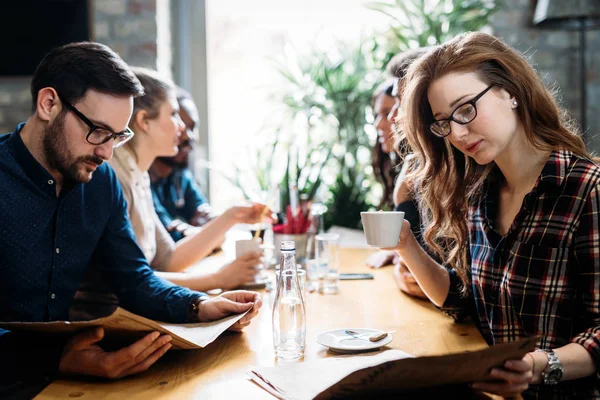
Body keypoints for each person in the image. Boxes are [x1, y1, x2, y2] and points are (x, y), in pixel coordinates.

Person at [0, 42, 261, 398]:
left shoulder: (100, 182)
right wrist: (55, 359)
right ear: (49, 104)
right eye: (98, 131)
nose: (106, 152)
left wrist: (199, 306)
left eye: (118, 137)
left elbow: (134, 279)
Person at [388, 32, 599, 398]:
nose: (456, 132)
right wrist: (405, 244)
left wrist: (536, 366)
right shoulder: (478, 194)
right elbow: (463, 301)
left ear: (510, 91)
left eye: (466, 109)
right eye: (443, 122)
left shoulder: (586, 190)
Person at [108, 67, 268, 292]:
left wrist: (232, 216)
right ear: (144, 121)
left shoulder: (138, 174)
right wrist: (219, 279)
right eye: (173, 115)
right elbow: (129, 283)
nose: (182, 128)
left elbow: (168, 259)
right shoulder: (114, 177)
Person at [149, 87, 212, 241]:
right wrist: (203, 233)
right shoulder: (139, 179)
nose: (187, 135)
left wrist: (202, 228)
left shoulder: (180, 175)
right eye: (179, 125)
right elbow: (169, 239)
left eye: (193, 127)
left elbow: (208, 217)